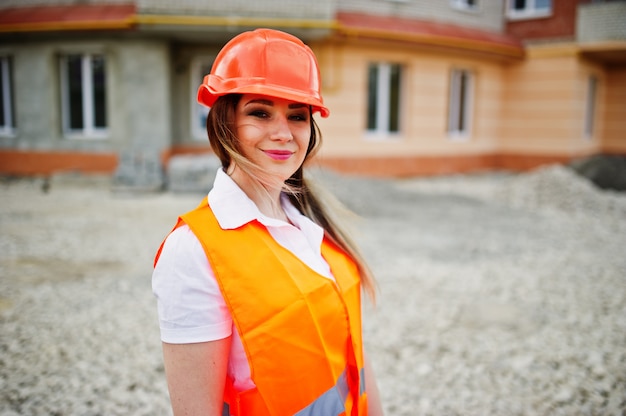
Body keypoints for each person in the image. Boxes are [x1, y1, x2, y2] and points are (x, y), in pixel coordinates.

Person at [152, 28, 383, 416]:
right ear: (225, 123)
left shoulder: (308, 223)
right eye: (260, 113)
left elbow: (355, 355)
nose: (283, 133)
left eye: (297, 116)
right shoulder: (193, 250)